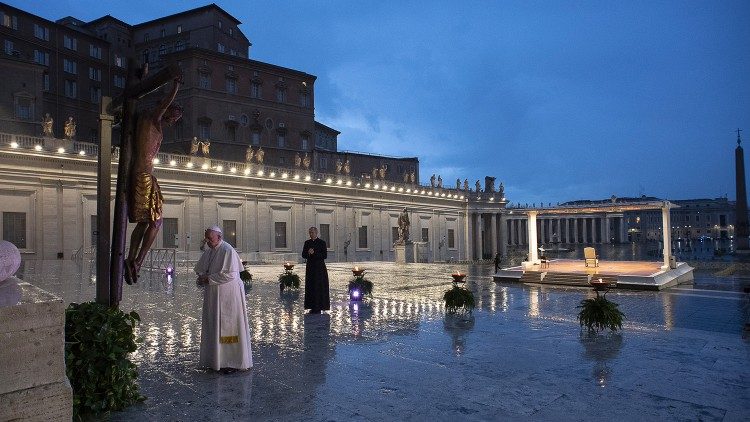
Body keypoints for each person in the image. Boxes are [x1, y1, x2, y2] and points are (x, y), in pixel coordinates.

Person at [124, 77, 182, 284]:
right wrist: (175, 86)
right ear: (164, 110)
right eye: (173, 116)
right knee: (156, 222)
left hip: (142, 174)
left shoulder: (145, 121)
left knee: (143, 222)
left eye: (175, 120)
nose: (172, 121)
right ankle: (138, 260)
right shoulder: (152, 119)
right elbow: (164, 103)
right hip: (143, 176)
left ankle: (131, 259)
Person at [195, 226, 253, 373]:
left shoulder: (227, 250)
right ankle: (216, 360)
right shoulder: (210, 251)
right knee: (214, 324)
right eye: (206, 238)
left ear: (219, 237)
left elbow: (230, 275)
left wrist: (208, 279)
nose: (207, 241)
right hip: (214, 295)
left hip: (228, 295)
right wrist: (201, 278)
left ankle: (231, 362)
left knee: (228, 327)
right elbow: (201, 269)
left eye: (210, 238)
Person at [302, 226, 330, 314]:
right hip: (310, 268)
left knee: (319, 286)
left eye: (312, 232)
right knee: (311, 286)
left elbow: (324, 255)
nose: (311, 234)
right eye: (310, 232)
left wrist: (314, 253)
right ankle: (311, 306)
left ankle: (320, 306)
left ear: (316, 233)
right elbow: (303, 255)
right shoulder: (307, 243)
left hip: (319, 269)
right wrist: (308, 253)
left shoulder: (322, 243)